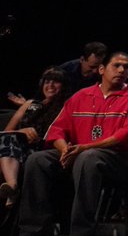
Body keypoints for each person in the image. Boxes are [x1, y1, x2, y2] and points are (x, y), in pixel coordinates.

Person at [17, 51, 128, 236]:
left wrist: (83, 148)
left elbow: (126, 134)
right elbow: (57, 130)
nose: (121, 70)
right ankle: (33, 230)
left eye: (126, 67)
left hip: (115, 159)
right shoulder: (81, 96)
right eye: (116, 65)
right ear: (102, 69)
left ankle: (81, 231)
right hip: (76, 153)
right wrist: (64, 150)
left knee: (88, 158)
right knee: (37, 160)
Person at [0, 67, 66, 209]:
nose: (50, 86)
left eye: (56, 82)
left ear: (64, 86)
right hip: (16, 146)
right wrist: (22, 131)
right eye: (47, 82)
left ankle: (12, 189)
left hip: (42, 150)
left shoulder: (66, 107)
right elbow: (6, 132)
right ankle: (11, 185)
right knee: (8, 139)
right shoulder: (30, 104)